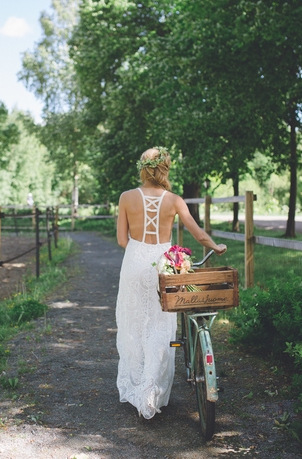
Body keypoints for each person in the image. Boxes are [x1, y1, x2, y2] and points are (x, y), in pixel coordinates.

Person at [115, 147, 227, 419]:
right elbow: (198, 234)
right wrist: (216, 245)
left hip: (134, 263)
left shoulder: (126, 198)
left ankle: (139, 383)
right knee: (159, 326)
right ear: (164, 168)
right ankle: (151, 391)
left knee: (134, 325)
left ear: (143, 167)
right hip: (163, 265)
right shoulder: (174, 200)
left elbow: (122, 240)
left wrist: (139, 254)